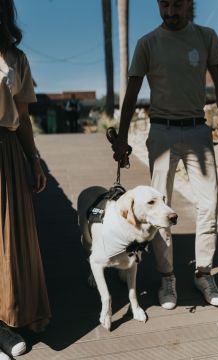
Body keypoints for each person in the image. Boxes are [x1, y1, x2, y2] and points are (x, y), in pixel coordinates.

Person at [112, 0, 218, 311]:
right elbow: (131, 95)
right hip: (162, 132)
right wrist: (122, 139)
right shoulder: (147, 44)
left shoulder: (206, 38)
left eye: (177, 4)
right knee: (160, 205)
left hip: (197, 130)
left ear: (188, 3)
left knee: (209, 203)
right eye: (165, 4)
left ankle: (203, 273)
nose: (171, 11)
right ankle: (167, 278)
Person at [0, 0, 51, 359]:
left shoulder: (14, 58)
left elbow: (22, 115)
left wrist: (34, 160)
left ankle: (7, 319)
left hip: (6, 153)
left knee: (8, 242)